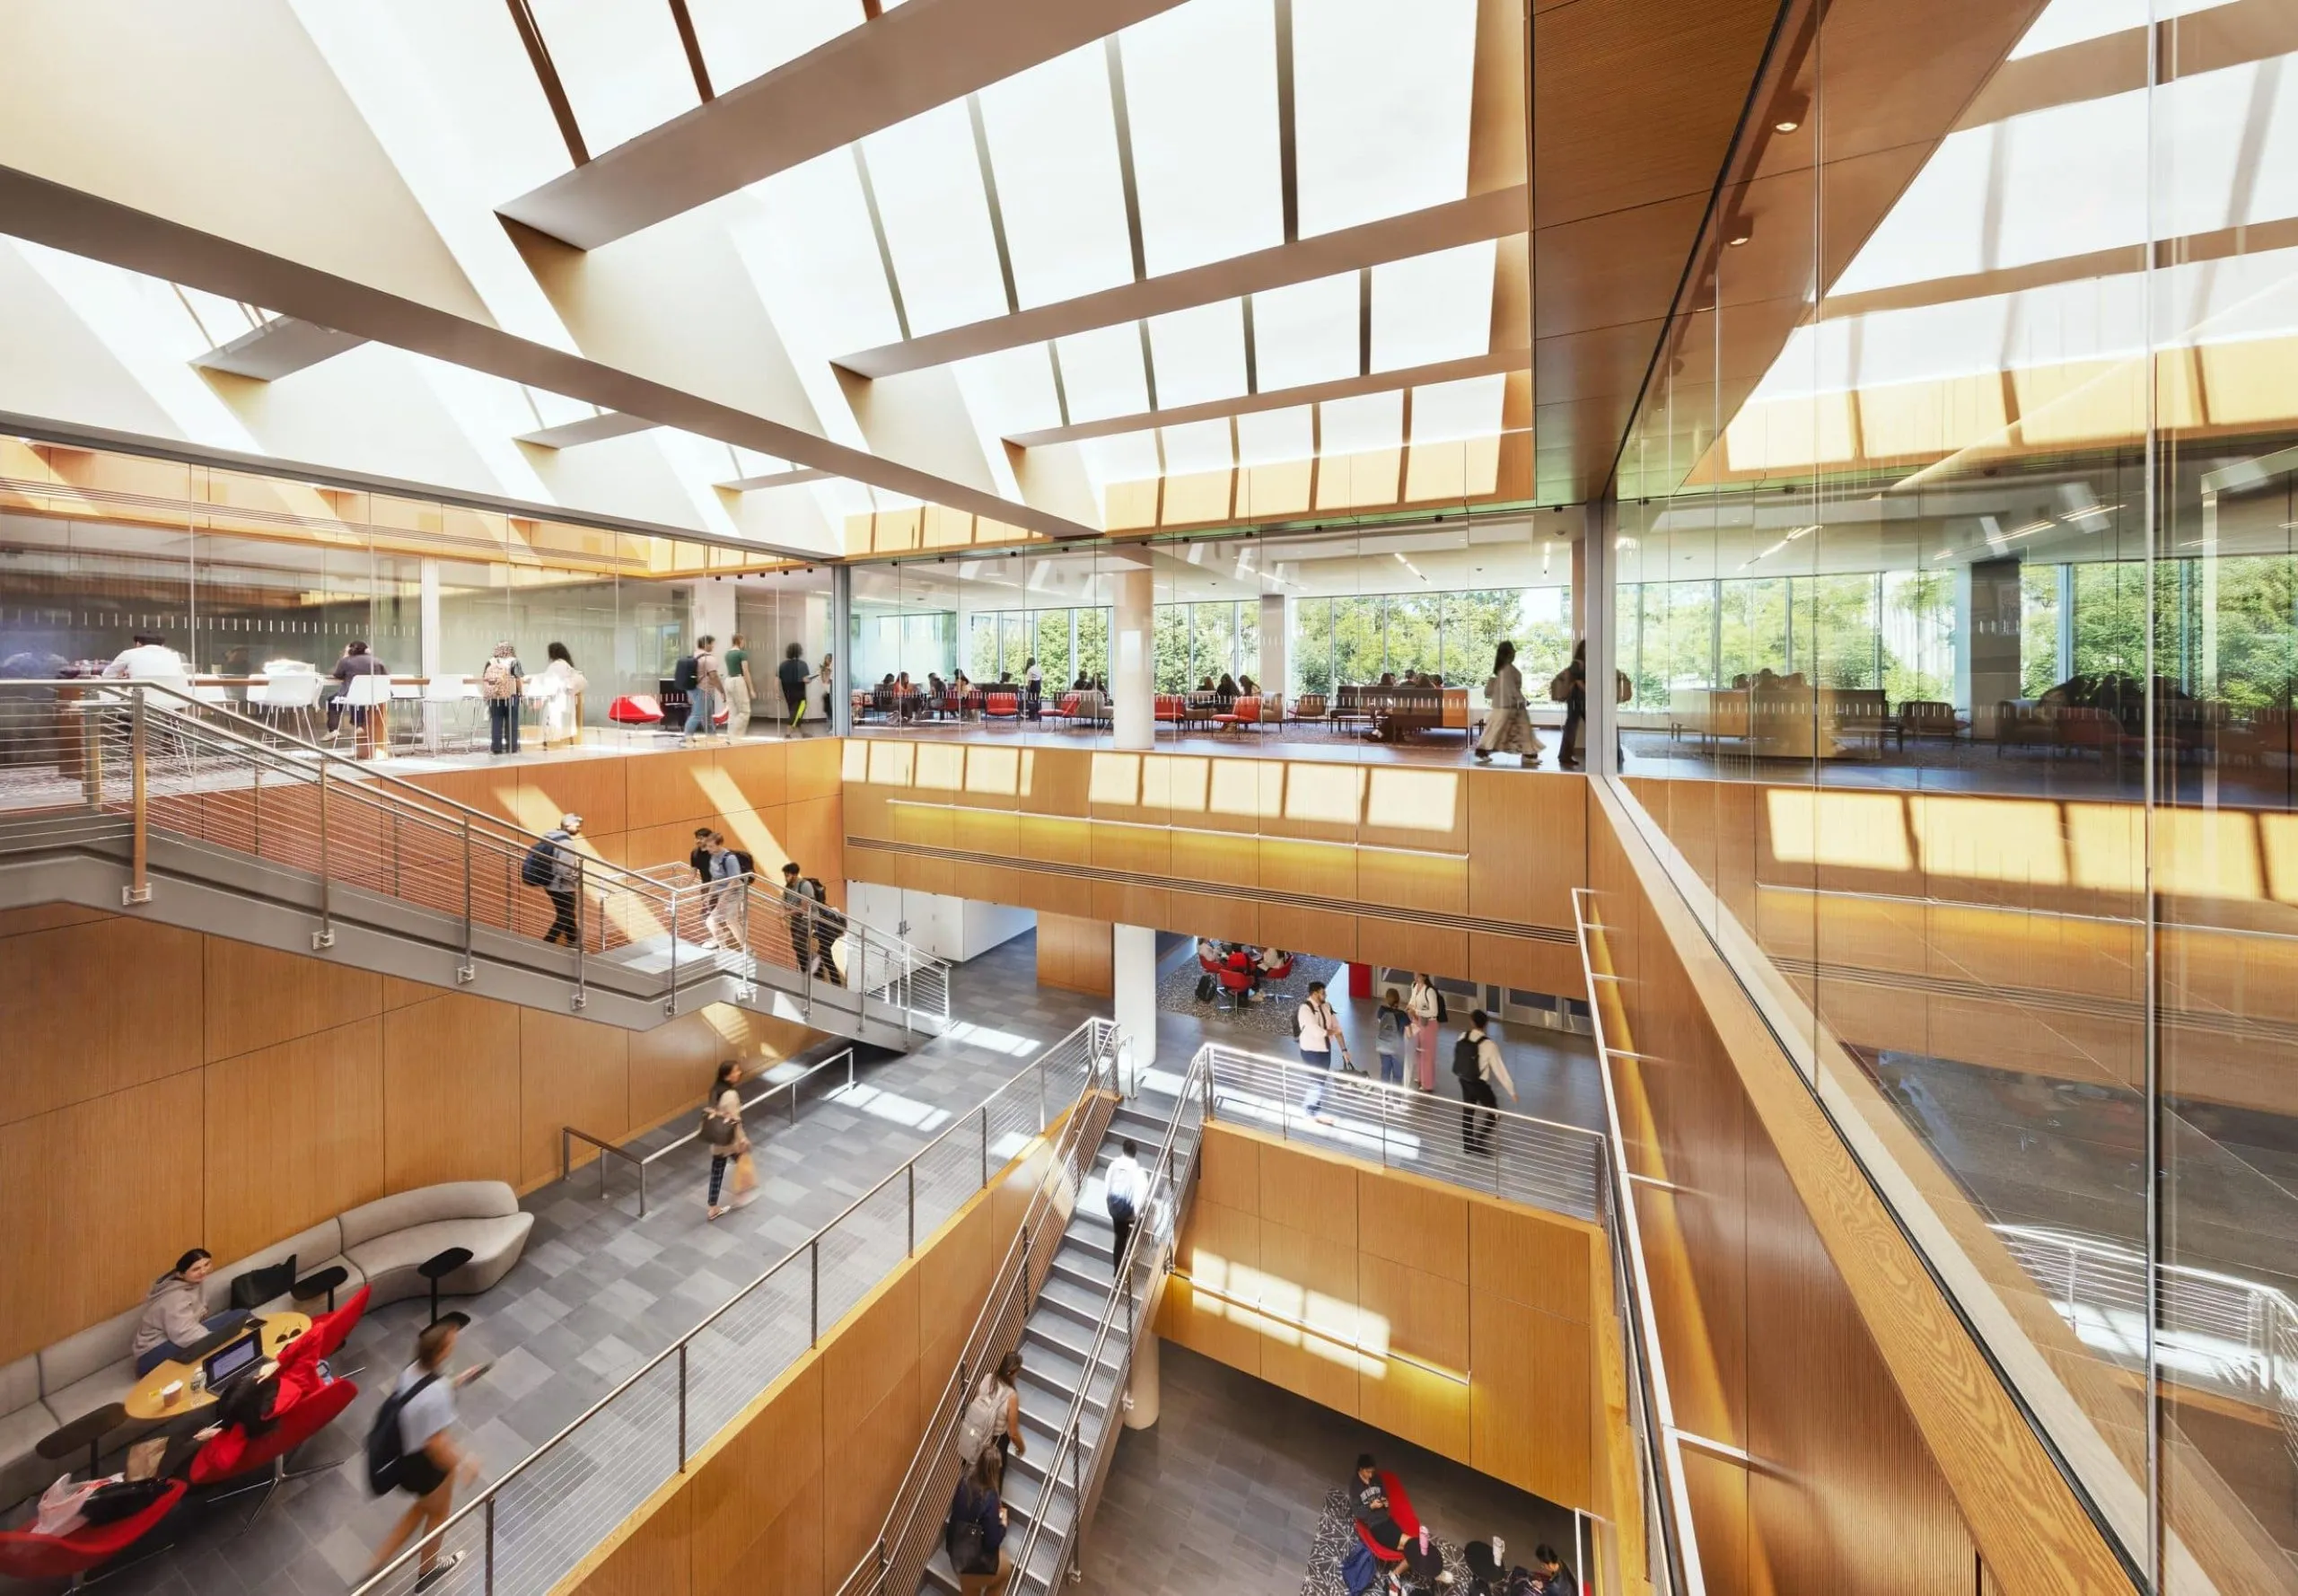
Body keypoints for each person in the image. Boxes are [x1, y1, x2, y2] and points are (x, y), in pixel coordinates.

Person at [362, 1319, 486, 1593]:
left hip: (404, 1457)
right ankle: (428, 1570)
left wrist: (456, 1381)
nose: (454, 1345)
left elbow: (421, 1395)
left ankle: (377, 1561)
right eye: (451, 1344)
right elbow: (436, 1445)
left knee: (422, 1508)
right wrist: (465, 1463)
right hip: (424, 1465)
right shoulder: (438, 1393)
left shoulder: (411, 1371)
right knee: (439, 1513)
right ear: (441, 1352)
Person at [131, 1250, 253, 1375]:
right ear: (181, 1274)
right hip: (152, 1354)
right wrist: (217, 1342)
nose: (203, 1271)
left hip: (177, 1336)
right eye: (196, 1269)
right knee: (224, 1338)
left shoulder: (193, 1283)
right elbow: (184, 1334)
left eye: (207, 1264)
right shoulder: (174, 1297)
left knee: (242, 1314)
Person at [1348, 1454, 1444, 1587]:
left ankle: (1394, 1575)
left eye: (1372, 1471)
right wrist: (1371, 1506)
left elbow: (1385, 1495)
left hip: (1388, 1521)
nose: (1371, 1475)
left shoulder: (1376, 1479)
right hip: (1377, 1527)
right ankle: (1434, 1572)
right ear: (1361, 1469)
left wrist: (1385, 1502)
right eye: (1368, 1472)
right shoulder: (1355, 1486)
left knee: (1411, 1551)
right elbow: (1357, 1512)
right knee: (1414, 1546)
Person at [944, 1448, 1012, 1596]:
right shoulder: (990, 1498)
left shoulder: (964, 1482)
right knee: (1006, 1570)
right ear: (995, 1471)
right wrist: (1003, 1523)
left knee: (970, 1589)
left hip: (957, 1556)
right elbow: (992, 1541)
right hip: (975, 1565)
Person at [1554, 639, 1626, 772]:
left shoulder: (1590, 663)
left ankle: (1566, 755)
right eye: (1588, 649)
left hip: (1583, 700)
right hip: (1578, 700)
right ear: (1582, 650)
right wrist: (1596, 693)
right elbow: (1579, 683)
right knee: (1576, 726)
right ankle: (1566, 756)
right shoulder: (1578, 664)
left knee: (1576, 726)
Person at [1455, 1009, 1517, 1155]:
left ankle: (1468, 1145)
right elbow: (1499, 1070)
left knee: (1468, 1112)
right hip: (1479, 1083)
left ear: (1472, 1022)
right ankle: (1479, 1140)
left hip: (1464, 1079)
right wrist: (1511, 1091)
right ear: (1486, 1024)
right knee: (1494, 1112)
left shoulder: (1462, 1036)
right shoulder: (1489, 1045)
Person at [957, 1351, 1027, 1471]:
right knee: (991, 1477)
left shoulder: (988, 1378)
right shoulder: (1012, 1396)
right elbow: (1013, 1433)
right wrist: (1021, 1448)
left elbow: (978, 1400)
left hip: (976, 1433)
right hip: (995, 1442)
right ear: (1013, 1373)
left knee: (971, 1469)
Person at [1476, 640, 1541, 766]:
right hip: (1507, 706)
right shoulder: (1506, 670)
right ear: (1508, 654)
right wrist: (1522, 700)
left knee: (1513, 731)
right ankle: (1528, 754)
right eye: (1512, 652)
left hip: (1508, 706)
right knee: (1502, 731)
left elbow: (1512, 689)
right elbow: (1511, 689)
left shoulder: (1506, 669)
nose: (1514, 654)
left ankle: (1528, 754)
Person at [1293, 981, 1347, 1124]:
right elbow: (1316, 1032)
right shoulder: (1305, 1009)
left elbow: (1338, 1028)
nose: (1326, 995)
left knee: (1320, 1080)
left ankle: (1314, 1107)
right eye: (1323, 992)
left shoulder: (1327, 1006)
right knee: (1316, 1080)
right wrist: (1332, 1031)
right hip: (1311, 1052)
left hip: (1325, 1051)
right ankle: (1310, 1109)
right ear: (1314, 993)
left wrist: (1344, 1050)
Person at [703, 1059, 750, 1220]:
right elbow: (734, 1120)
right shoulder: (730, 1095)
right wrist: (742, 1139)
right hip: (730, 1141)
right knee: (742, 1161)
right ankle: (741, 1193)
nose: (739, 1073)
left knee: (717, 1171)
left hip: (718, 1139)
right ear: (727, 1076)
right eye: (735, 1071)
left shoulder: (715, 1090)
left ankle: (713, 1206)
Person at [329, 640, 390, 757]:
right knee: (359, 699)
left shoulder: (346, 661)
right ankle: (360, 726)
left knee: (333, 700)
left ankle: (334, 729)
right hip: (376, 697)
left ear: (350, 650)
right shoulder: (377, 661)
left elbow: (337, 675)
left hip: (354, 696)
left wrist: (345, 656)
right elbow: (385, 676)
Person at [783, 861, 840, 984]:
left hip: (808, 919)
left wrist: (785, 914)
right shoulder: (788, 888)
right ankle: (807, 975)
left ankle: (817, 965)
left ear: (794, 875)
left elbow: (804, 908)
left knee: (799, 944)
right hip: (796, 920)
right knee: (799, 949)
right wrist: (783, 915)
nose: (785, 878)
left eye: (787, 875)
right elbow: (783, 903)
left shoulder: (805, 885)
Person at [533, 814, 585, 945]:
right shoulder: (567, 843)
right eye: (577, 826)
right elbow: (564, 870)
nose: (579, 829)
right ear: (568, 825)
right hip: (563, 886)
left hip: (548, 882)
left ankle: (573, 941)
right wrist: (577, 878)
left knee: (567, 913)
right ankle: (548, 941)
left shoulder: (551, 836)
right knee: (566, 914)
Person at [702, 831, 747, 950]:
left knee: (723, 921)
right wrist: (709, 896)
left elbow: (735, 880)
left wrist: (723, 898)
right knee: (723, 921)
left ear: (719, 844)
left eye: (711, 846)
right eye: (707, 846)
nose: (708, 849)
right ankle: (732, 947)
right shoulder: (713, 857)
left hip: (734, 893)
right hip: (724, 893)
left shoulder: (730, 858)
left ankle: (736, 948)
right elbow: (715, 878)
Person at [1104, 1137, 1143, 1274]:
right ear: (1135, 1153)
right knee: (1134, 1229)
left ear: (1123, 1150)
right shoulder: (1137, 1169)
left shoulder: (1114, 1164)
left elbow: (1107, 1184)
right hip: (1128, 1211)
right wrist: (1137, 1213)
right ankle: (1132, 1255)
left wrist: (1110, 1203)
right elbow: (1139, 1192)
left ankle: (1118, 1272)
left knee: (1119, 1239)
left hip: (1114, 1208)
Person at [480, 641, 523, 755]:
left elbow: (485, 678)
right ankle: (512, 747)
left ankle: (496, 747)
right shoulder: (514, 661)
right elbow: (518, 679)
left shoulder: (491, 662)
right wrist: (521, 693)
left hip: (495, 696)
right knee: (512, 721)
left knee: (496, 721)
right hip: (511, 695)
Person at [540, 641, 586, 739]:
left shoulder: (555, 666)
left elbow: (548, 684)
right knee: (565, 726)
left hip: (555, 701)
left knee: (553, 726)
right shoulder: (568, 666)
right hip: (567, 702)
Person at [684, 636, 724, 744]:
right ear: (706, 644)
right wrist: (722, 690)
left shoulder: (694, 655)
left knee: (707, 717)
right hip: (703, 689)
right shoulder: (709, 658)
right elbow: (714, 676)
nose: (713, 646)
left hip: (693, 688)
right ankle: (687, 737)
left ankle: (712, 737)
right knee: (697, 715)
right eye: (712, 644)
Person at [1408, 975, 1443, 1092]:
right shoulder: (1414, 985)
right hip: (1416, 1021)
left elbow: (1434, 1011)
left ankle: (1427, 1084)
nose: (1416, 976)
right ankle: (1420, 1077)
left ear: (1424, 976)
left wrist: (1417, 1011)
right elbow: (1412, 1000)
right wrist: (1410, 1007)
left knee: (1427, 1054)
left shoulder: (1430, 991)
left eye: (1418, 974)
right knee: (1417, 1050)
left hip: (1428, 1024)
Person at [102, 633, 186, 680]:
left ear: (138, 643)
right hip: (173, 700)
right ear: (163, 645)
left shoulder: (129, 654)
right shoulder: (173, 655)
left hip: (139, 702)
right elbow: (181, 676)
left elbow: (107, 676)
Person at [1375, 988, 1409, 1086]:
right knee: (1397, 1076)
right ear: (1398, 1000)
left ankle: (1384, 1098)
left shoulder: (1381, 1011)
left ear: (1386, 999)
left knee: (1385, 1072)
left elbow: (1380, 1023)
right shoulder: (1402, 1015)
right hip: (1397, 1049)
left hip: (1383, 1045)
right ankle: (1396, 1101)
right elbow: (1410, 1033)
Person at [776, 642, 811, 732]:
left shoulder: (782, 665)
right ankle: (788, 734)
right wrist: (811, 679)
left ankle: (802, 733)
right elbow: (806, 680)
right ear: (799, 652)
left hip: (788, 693)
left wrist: (777, 693)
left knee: (795, 712)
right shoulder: (802, 664)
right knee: (797, 712)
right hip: (799, 693)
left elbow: (776, 680)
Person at [724, 634, 754, 732]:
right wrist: (751, 689)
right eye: (743, 641)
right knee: (745, 711)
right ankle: (735, 735)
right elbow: (745, 671)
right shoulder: (742, 654)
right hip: (738, 680)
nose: (744, 643)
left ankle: (730, 735)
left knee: (733, 712)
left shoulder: (727, 654)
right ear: (740, 641)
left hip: (728, 681)